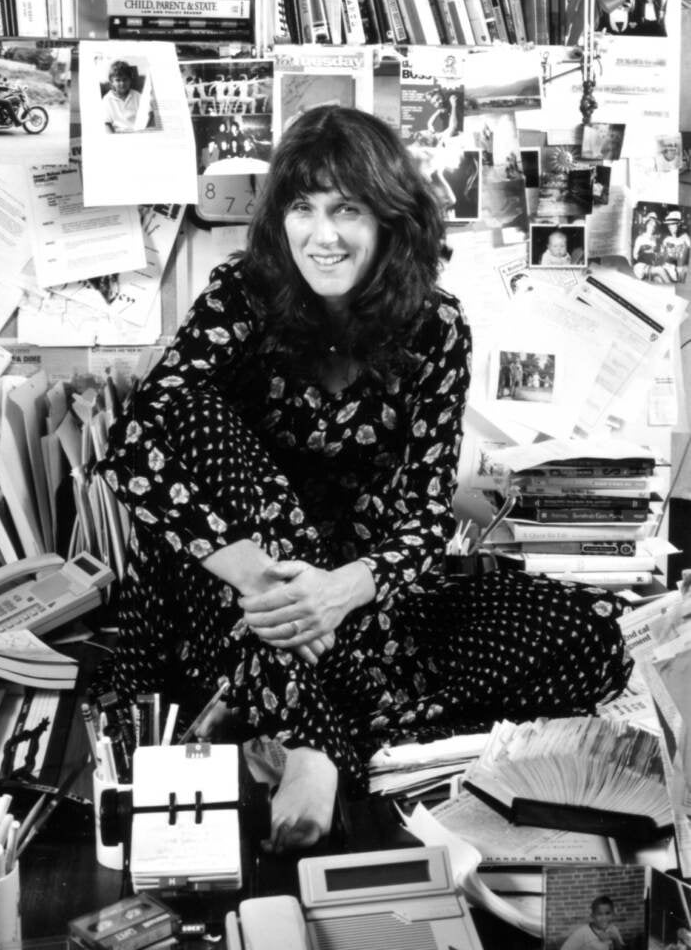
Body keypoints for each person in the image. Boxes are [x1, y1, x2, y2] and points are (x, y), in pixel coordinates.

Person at [96, 106, 630, 854]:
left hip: (358, 594)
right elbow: (135, 446)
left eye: (346, 208)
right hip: (231, 578)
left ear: (388, 219)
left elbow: (420, 515)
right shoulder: (238, 297)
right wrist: (264, 581)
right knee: (200, 419)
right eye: (303, 208)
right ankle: (315, 749)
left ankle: (295, 718)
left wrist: (339, 589)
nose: (323, 234)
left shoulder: (435, 325)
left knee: (591, 639)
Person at [560, 895, 626, 950]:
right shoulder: (582, 933)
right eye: (599, 914)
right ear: (592, 916)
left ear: (613, 914)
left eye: (607, 913)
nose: (604, 918)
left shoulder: (613, 929)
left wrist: (615, 938)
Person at [102, 60, 142, 133]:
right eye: (118, 80)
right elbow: (106, 124)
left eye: (125, 79)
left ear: (130, 80)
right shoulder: (107, 100)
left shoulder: (137, 96)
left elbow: (149, 115)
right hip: (118, 135)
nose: (122, 83)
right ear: (111, 82)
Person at [632, 212, 662, 279]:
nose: (653, 227)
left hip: (652, 266)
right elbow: (635, 255)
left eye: (654, 225)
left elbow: (656, 255)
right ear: (646, 224)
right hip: (640, 266)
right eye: (651, 224)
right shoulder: (640, 238)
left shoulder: (655, 240)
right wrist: (643, 260)